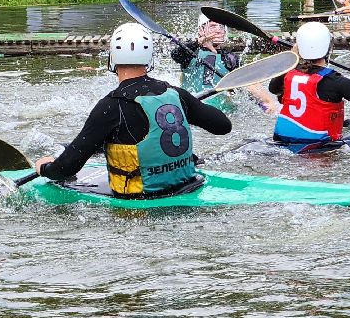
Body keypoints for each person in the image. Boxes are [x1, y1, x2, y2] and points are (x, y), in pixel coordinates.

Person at [33, 23, 232, 198]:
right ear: (149, 58)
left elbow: (67, 168)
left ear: (112, 58)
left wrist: (46, 167)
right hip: (188, 185)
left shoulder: (110, 106)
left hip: (144, 198)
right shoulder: (175, 94)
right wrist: (188, 107)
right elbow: (223, 126)